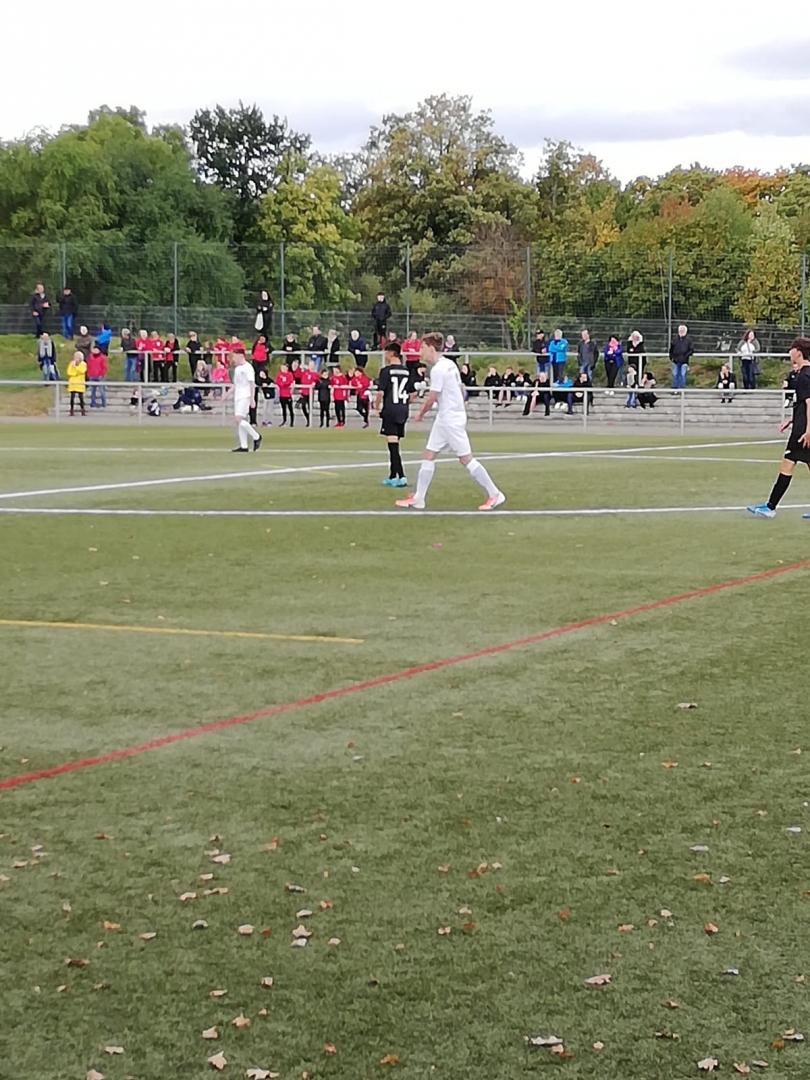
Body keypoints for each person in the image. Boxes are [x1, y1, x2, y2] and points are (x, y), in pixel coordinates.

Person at [396, 332, 505, 511]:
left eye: (422, 347)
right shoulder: (450, 364)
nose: (420, 351)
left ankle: (495, 494)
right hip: (445, 417)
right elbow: (460, 389)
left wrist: (420, 414)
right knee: (429, 454)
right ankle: (419, 498)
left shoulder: (438, 369)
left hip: (450, 419)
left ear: (431, 348)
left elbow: (432, 396)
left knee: (466, 459)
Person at [747, 338, 810, 517]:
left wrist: (808, 431)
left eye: (792, 349)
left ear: (798, 351)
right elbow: (802, 405)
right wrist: (791, 419)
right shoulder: (805, 373)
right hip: (802, 426)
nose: (790, 353)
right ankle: (770, 506)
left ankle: (770, 507)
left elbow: (809, 403)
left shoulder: (804, 376)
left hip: (802, 432)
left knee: (787, 464)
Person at [375, 341, 412, 488]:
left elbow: (380, 392)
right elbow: (413, 392)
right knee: (394, 442)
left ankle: (401, 476)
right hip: (402, 410)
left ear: (391, 353)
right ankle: (392, 475)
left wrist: (375, 406)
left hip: (390, 409)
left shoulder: (386, 371)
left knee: (393, 445)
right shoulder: (406, 371)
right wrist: (405, 402)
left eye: (386, 352)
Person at [226, 349, 261, 453]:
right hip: (238, 397)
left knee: (238, 419)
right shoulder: (237, 369)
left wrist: (252, 398)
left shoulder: (248, 368)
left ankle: (256, 436)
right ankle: (244, 445)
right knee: (240, 421)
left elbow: (251, 383)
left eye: (235, 356)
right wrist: (226, 394)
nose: (233, 359)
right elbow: (235, 384)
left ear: (241, 355)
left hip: (245, 396)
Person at [669, 324, 694, 389]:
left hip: (684, 361)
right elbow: (671, 349)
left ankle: (682, 389)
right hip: (675, 360)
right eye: (680, 330)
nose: (681, 331)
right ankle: (675, 389)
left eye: (683, 330)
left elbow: (691, 350)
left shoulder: (689, 340)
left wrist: (686, 356)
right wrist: (671, 357)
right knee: (675, 374)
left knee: (682, 375)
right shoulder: (674, 340)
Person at [297, 359, 318, 426]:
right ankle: (308, 418)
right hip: (304, 392)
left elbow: (315, 380)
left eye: (312, 365)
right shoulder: (305, 372)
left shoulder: (315, 373)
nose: (311, 366)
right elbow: (298, 375)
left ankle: (310, 421)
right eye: (310, 365)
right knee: (303, 406)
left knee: (310, 407)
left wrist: (314, 383)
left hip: (310, 393)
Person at [67, 350, 87, 416]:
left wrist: (75, 367)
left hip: (80, 383)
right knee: (72, 397)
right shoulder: (71, 363)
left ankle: (82, 410)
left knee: (81, 397)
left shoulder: (83, 364)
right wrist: (75, 373)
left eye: (78, 357)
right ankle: (71, 410)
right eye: (75, 357)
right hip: (72, 383)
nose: (76, 358)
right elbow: (69, 372)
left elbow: (82, 371)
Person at [276, 359, 295, 426]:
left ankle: (292, 422)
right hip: (282, 394)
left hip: (288, 394)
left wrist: (284, 384)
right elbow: (278, 382)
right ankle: (284, 421)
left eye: (284, 367)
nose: (283, 369)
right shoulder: (279, 374)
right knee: (283, 408)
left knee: (290, 408)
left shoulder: (289, 374)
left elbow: (290, 382)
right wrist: (283, 384)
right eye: (282, 367)